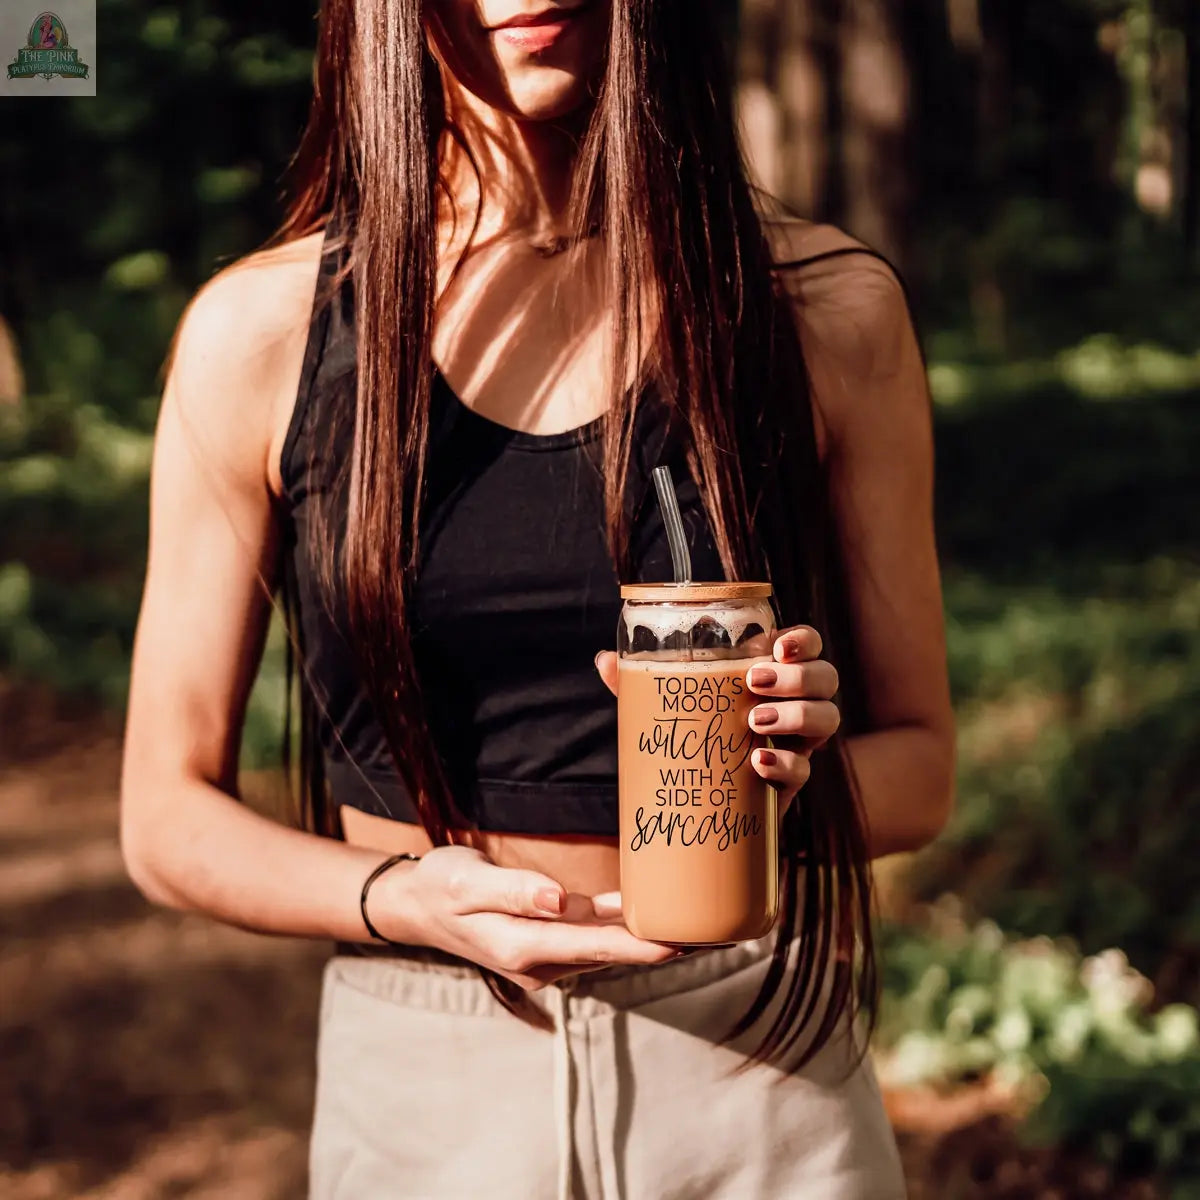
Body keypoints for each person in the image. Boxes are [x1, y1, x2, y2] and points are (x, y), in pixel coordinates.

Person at [119, 2, 955, 1197]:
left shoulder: (822, 312)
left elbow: (923, 767)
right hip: (424, 1078)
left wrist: (789, 787)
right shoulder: (262, 333)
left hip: (757, 1081)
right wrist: (405, 900)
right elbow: (163, 818)